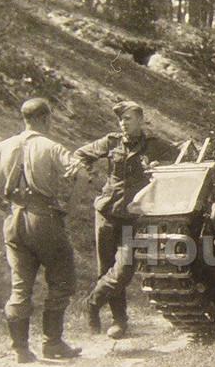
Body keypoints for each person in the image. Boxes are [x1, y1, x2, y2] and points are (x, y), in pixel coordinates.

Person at [0, 98, 81, 363]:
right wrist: (68, 206)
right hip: (43, 218)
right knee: (62, 279)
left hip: (13, 219)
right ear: (46, 119)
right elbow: (78, 173)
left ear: (24, 119)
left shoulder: (3, 146)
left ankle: (20, 349)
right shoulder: (51, 147)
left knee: (21, 284)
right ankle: (52, 342)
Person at [74, 101, 177, 338]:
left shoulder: (154, 145)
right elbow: (81, 154)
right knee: (105, 269)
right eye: (121, 120)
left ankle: (92, 303)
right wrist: (88, 173)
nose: (123, 123)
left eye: (128, 119)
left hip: (134, 217)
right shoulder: (111, 142)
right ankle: (119, 321)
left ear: (141, 120)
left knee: (124, 270)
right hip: (107, 212)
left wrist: (161, 166)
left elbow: (182, 156)